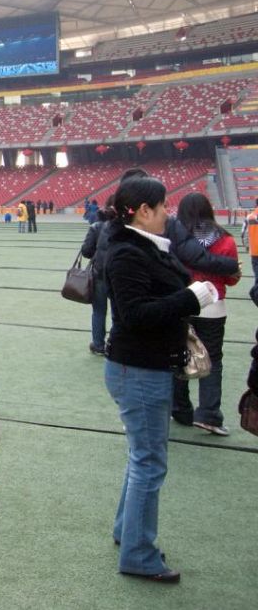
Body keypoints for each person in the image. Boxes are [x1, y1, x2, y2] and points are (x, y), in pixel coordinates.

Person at [104, 176, 217, 583]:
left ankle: (128, 533)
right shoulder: (127, 253)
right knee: (149, 463)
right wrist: (191, 298)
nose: (169, 213)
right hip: (139, 368)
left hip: (142, 366)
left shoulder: (142, 247)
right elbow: (136, 314)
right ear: (143, 211)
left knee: (142, 458)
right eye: (164, 206)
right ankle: (137, 552)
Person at [171, 193, 239, 435]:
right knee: (213, 360)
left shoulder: (175, 238)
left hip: (181, 302)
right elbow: (231, 279)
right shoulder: (226, 240)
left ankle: (180, 409)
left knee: (178, 355)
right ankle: (209, 414)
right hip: (213, 305)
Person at [81, 196, 115, 356]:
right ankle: (115, 344)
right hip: (117, 274)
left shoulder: (96, 226)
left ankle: (98, 344)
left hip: (99, 273)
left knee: (99, 311)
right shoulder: (126, 226)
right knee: (118, 313)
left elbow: (86, 251)